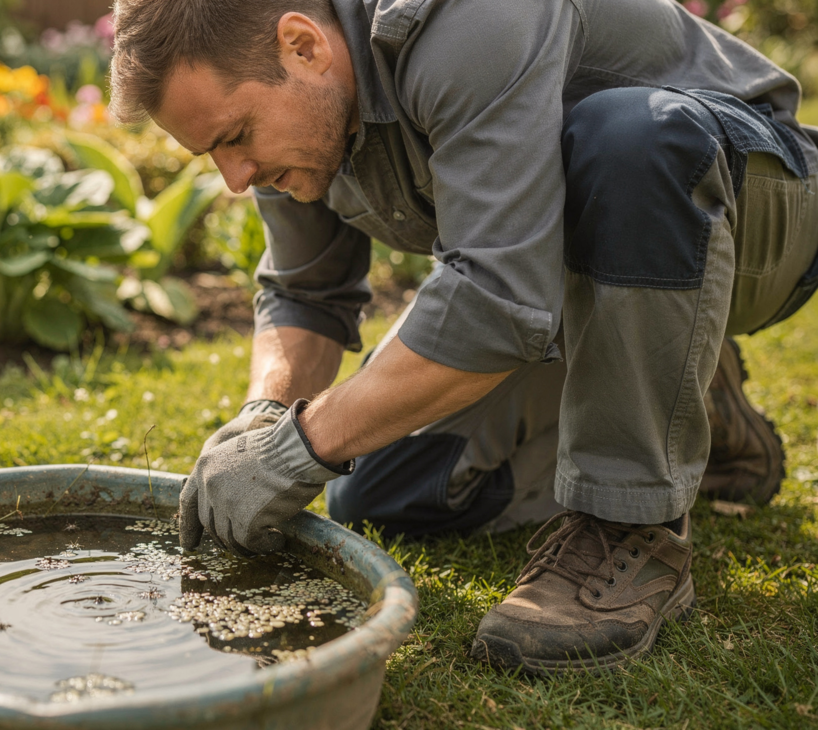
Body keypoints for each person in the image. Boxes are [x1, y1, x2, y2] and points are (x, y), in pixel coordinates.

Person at [107, 0, 818, 674]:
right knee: (384, 491)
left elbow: (495, 299)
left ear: (303, 45)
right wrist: (265, 421)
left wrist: (302, 444)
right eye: (213, 154)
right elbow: (305, 293)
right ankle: (699, 405)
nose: (235, 178)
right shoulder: (293, 104)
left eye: (234, 138)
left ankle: (625, 526)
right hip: (587, 278)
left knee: (629, 135)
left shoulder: (465, 21)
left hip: (753, 197)